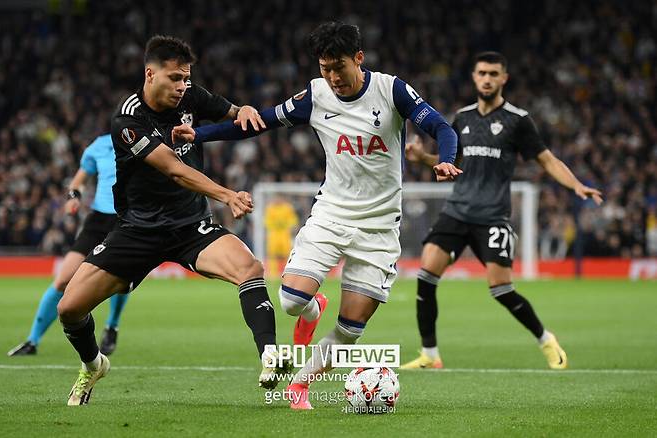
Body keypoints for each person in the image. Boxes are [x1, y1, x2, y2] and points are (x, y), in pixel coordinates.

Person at [173, 22, 461, 409]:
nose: (332, 77)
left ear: (359, 59)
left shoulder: (391, 90)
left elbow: (442, 127)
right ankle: (314, 307)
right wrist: (202, 135)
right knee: (291, 300)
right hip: (332, 214)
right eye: (325, 68)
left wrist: (446, 161)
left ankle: (300, 386)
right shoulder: (316, 94)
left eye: (338, 67)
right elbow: (260, 123)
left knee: (350, 330)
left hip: (379, 227)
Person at [57, 35, 290, 406]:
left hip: (190, 225)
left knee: (249, 267)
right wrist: (227, 194)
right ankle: (94, 364)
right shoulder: (128, 119)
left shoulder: (191, 94)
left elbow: (231, 112)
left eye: (186, 78)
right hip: (139, 230)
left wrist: (243, 108)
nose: (182, 87)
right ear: (150, 74)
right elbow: (174, 170)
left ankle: (270, 356)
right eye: (174, 79)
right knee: (69, 308)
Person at [400, 51, 603, 371]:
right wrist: (424, 157)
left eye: (494, 73)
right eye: (482, 73)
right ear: (474, 77)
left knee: (501, 288)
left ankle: (546, 339)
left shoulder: (518, 120)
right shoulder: (462, 118)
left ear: (504, 78)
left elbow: (546, 160)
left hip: (492, 216)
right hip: (457, 210)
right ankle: (430, 354)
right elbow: (451, 162)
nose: (487, 79)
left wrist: (575, 184)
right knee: (426, 274)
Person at [8, 134, 129, 357]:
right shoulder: (99, 146)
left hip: (128, 218)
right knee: (63, 279)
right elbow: (78, 181)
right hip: (98, 219)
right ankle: (32, 341)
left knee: (121, 280)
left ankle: (112, 326)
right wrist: (74, 197)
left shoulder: (146, 140)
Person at [264, 196, 299, 275]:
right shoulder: (270, 208)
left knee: (287, 254)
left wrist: (288, 226)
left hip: (284, 234)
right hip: (274, 234)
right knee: (272, 255)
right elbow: (267, 221)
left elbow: (293, 220)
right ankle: (273, 273)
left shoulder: (287, 208)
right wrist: (276, 224)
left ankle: (287, 272)